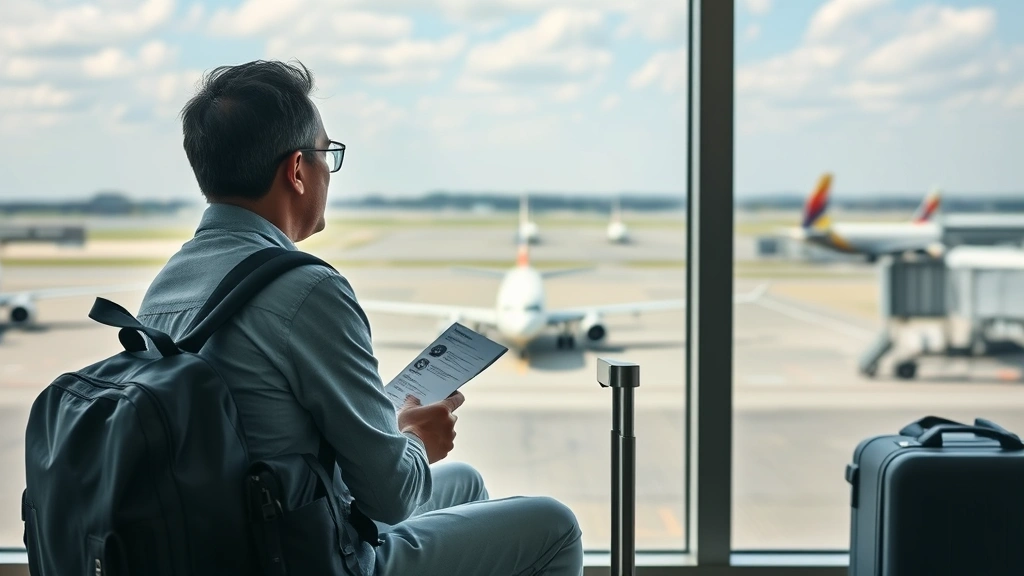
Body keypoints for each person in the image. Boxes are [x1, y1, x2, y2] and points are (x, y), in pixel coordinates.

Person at [136, 60, 583, 576]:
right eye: (328, 154)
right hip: (300, 558)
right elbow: (392, 498)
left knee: (463, 484)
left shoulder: (163, 291)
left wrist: (391, 436)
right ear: (298, 171)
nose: (330, 171)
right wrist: (415, 440)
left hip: (226, 543)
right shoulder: (305, 289)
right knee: (555, 525)